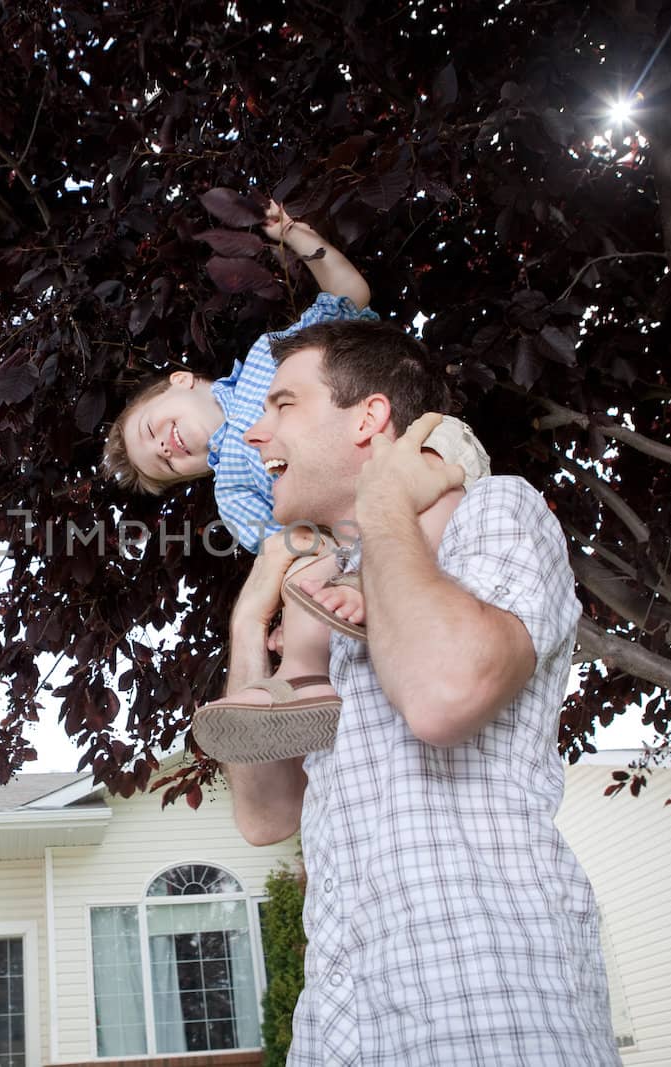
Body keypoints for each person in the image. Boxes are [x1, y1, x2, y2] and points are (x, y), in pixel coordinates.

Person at [221, 319, 619, 1064]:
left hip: (485, 997)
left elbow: (441, 697)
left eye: (282, 404)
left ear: (369, 418)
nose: (254, 433)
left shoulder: (493, 509)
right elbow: (266, 814)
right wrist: (251, 620)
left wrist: (382, 507)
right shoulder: (323, 581)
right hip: (339, 1019)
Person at [102, 202, 489, 762]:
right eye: (163, 463)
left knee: (432, 468)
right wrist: (305, 585)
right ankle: (303, 678)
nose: (165, 447)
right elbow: (284, 544)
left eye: (153, 429)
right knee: (295, 563)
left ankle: (365, 589)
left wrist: (297, 238)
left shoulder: (271, 356)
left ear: (180, 380)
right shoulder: (231, 489)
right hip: (345, 535)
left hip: (409, 460)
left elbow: (350, 297)